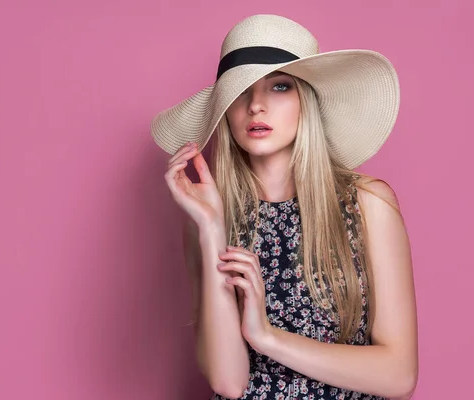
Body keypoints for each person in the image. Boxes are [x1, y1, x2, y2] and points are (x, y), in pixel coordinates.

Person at [151, 14, 418, 400]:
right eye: (240, 91)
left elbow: (399, 376)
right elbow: (229, 382)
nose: (256, 105)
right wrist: (211, 228)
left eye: (279, 86)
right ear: (225, 110)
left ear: (305, 101)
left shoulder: (369, 204)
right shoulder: (205, 217)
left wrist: (265, 337)